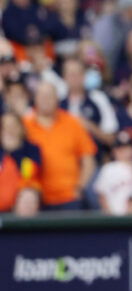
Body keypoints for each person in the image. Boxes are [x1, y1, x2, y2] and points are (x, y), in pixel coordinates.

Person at [23, 81, 96, 210]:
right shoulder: (24, 126)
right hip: (37, 198)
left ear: (57, 99)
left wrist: (79, 188)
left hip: (69, 196)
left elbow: (88, 160)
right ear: (35, 99)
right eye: (42, 96)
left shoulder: (72, 123)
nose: (46, 100)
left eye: (49, 96)